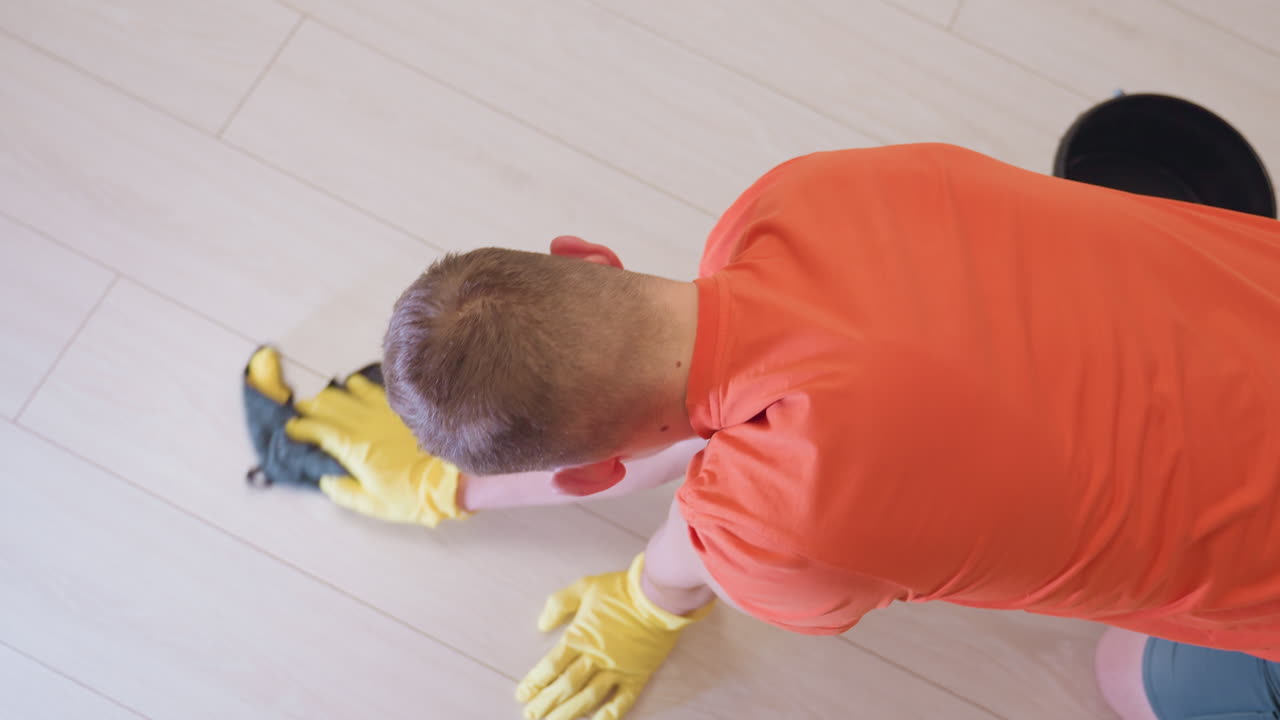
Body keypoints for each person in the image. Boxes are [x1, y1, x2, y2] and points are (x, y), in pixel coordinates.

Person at [282, 143, 1280, 720]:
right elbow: (754, 393)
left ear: (592, 475)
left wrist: (644, 600)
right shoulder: (804, 195)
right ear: (587, 253)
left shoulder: (781, 548)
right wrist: (464, 485)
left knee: (1127, 675)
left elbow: (742, 489)